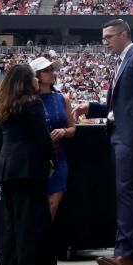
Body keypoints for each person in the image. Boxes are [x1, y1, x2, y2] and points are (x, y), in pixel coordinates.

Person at [75, 19, 133, 265]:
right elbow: (118, 106)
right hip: (123, 133)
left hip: (130, 136)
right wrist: (92, 107)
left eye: (109, 36)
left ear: (124, 35)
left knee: (127, 193)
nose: (106, 42)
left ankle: (124, 253)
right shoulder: (124, 61)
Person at [0, 63, 65, 265]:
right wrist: (52, 161)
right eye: (34, 76)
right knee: (33, 222)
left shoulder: (4, 106)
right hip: (29, 168)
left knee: (11, 222)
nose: (37, 79)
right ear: (27, 81)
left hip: (7, 168)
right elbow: (42, 138)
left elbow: (1, 141)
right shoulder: (33, 103)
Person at [30, 56, 75, 221]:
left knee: (53, 204)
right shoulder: (29, 101)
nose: (52, 73)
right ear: (37, 76)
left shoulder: (62, 99)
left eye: (52, 70)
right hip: (36, 158)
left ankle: (41, 241)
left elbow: (73, 128)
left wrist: (64, 131)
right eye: (47, 70)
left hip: (58, 157)